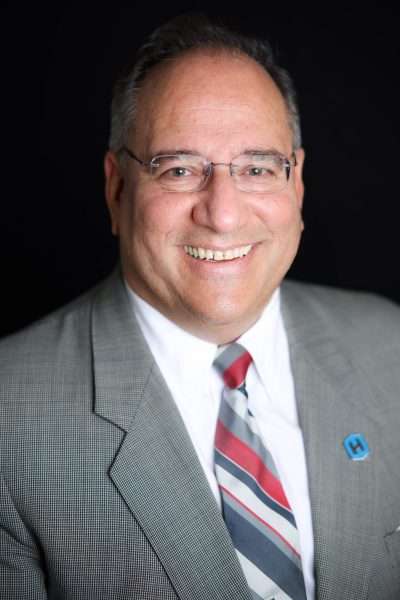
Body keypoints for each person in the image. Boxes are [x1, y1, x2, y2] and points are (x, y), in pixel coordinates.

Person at [1, 13, 399, 600]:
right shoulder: (8, 418)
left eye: (257, 168)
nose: (223, 214)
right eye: (180, 169)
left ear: (297, 185)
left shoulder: (389, 345)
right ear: (117, 189)